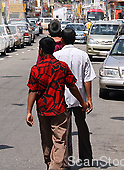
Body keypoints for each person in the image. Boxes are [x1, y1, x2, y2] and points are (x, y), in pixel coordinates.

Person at [26, 37, 89, 170]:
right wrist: (82, 102)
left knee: (46, 139)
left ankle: (50, 163)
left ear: (41, 51)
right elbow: (72, 86)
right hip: (59, 109)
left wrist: (28, 111)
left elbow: (32, 91)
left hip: (43, 110)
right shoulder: (62, 67)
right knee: (60, 140)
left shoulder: (36, 69)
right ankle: (55, 165)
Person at [54, 28, 96, 165]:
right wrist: (88, 99)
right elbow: (87, 79)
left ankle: (65, 159)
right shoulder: (83, 55)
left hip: (62, 98)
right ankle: (86, 157)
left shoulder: (57, 55)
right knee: (82, 126)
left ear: (62, 40)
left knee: (64, 130)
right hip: (80, 98)